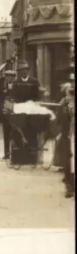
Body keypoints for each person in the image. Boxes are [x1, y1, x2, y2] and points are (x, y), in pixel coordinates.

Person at [56, 70, 74, 198]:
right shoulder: (67, 103)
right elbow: (62, 119)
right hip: (70, 133)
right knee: (70, 159)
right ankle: (69, 185)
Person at [2, 69, 17, 160]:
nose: (9, 78)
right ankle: (6, 153)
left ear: (14, 78)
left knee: (14, 132)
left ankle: (14, 152)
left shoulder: (17, 87)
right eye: (7, 77)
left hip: (15, 113)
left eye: (11, 77)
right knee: (6, 133)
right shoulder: (3, 87)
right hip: (5, 113)